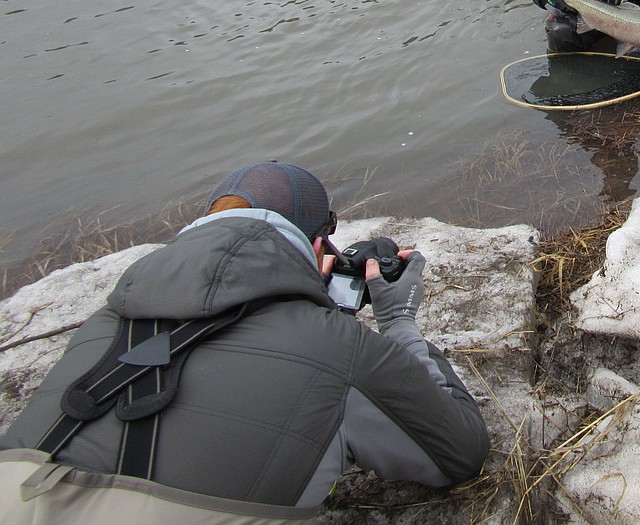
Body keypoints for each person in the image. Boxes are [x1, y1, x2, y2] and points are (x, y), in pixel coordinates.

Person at [0, 161, 490, 525]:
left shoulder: (101, 324)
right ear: (318, 245)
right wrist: (397, 320)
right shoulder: (339, 348)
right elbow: (460, 452)